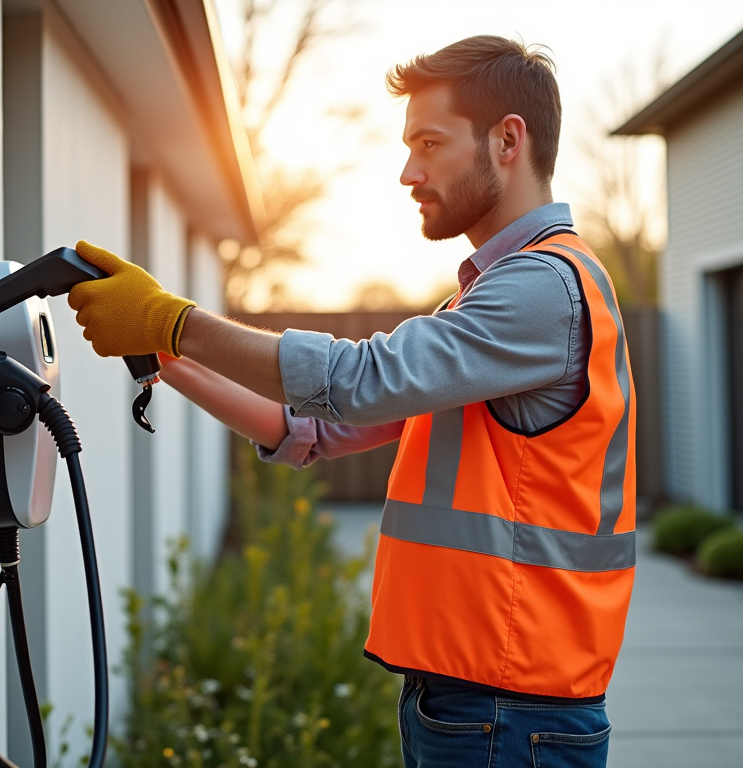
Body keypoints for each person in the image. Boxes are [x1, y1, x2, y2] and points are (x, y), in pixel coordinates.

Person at [67, 35, 635, 768]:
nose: (408, 171)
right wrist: (167, 359)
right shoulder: (487, 299)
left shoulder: (542, 290)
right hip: (477, 702)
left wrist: (171, 318)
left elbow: (357, 382)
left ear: (507, 140)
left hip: (511, 706)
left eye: (429, 143)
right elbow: (310, 431)